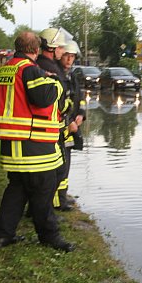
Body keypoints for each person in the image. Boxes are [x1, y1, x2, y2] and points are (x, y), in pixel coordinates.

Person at [0, 31, 75, 252]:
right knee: (43, 193)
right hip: (34, 147)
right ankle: (50, 237)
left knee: (17, 190)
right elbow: (42, 98)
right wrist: (54, 83)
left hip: (11, 146)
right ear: (36, 50)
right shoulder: (30, 70)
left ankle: (3, 236)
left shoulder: (2, 71)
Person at [36, 27, 75, 212]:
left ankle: (51, 204)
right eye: (60, 47)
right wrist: (70, 108)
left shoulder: (46, 66)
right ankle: (49, 207)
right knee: (54, 171)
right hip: (52, 128)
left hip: (53, 127)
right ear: (51, 48)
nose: (62, 50)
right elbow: (58, 103)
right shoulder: (48, 67)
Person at [56, 39, 86, 210]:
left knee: (66, 162)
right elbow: (59, 105)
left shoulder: (72, 76)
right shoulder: (57, 75)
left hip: (71, 127)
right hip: (62, 127)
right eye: (67, 55)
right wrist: (69, 123)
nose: (69, 59)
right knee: (60, 163)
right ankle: (57, 200)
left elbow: (80, 98)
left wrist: (81, 115)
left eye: (72, 56)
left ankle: (61, 197)